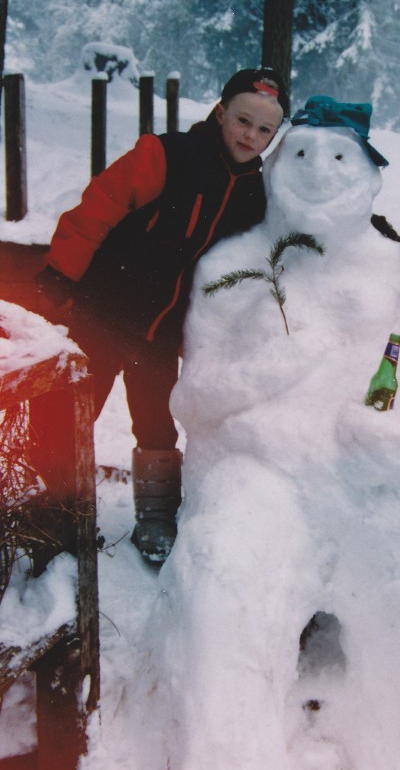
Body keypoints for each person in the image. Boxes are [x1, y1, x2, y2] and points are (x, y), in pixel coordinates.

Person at [36, 67, 289, 564]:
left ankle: (156, 514)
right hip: (104, 313)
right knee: (73, 413)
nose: (250, 136)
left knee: (156, 423)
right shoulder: (166, 155)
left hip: (161, 333)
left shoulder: (256, 194)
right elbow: (98, 208)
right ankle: (57, 507)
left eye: (265, 131)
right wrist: (61, 274)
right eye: (243, 120)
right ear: (220, 113)